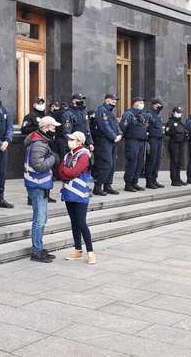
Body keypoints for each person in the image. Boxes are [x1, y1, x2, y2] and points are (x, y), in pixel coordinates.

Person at [23, 116, 60, 263]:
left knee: (42, 218)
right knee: (39, 219)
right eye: (52, 127)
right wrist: (53, 158)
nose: (54, 130)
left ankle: (39, 247)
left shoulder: (41, 141)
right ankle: (36, 252)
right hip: (37, 184)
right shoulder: (39, 143)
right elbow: (38, 165)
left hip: (40, 184)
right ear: (45, 127)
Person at [58, 131, 96, 265]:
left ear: (79, 141)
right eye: (69, 139)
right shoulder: (67, 155)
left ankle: (90, 252)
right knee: (74, 222)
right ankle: (78, 250)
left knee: (81, 222)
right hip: (69, 193)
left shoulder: (84, 154)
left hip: (80, 194)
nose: (70, 141)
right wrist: (67, 173)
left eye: (73, 139)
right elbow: (60, 171)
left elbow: (73, 171)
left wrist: (66, 173)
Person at [92, 94, 122, 196]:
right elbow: (104, 126)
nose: (114, 101)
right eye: (113, 100)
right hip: (104, 141)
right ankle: (98, 186)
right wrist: (114, 136)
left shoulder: (110, 112)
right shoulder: (102, 110)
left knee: (112, 164)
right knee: (106, 164)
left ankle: (108, 185)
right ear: (107, 100)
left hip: (112, 141)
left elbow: (116, 125)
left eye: (115, 100)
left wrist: (120, 134)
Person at [120, 97, 147, 191]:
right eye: (140, 102)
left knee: (139, 163)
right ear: (134, 103)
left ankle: (135, 182)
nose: (142, 104)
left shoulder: (141, 115)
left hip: (141, 141)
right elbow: (123, 127)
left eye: (142, 102)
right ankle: (128, 184)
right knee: (132, 162)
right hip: (132, 141)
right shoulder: (128, 114)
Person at [164, 106, 188, 186]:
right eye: (178, 112)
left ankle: (178, 178)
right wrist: (174, 132)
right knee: (174, 161)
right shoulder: (170, 122)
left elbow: (184, 132)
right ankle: (174, 180)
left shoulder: (181, 123)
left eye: (180, 113)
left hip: (181, 144)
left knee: (179, 162)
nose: (179, 114)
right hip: (174, 143)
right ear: (173, 113)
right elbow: (167, 132)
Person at [144, 99, 165, 189]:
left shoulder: (158, 115)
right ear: (154, 105)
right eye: (159, 104)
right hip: (152, 140)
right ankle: (149, 181)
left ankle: (154, 179)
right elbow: (145, 127)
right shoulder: (149, 114)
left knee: (157, 161)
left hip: (159, 140)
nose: (160, 106)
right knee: (151, 161)